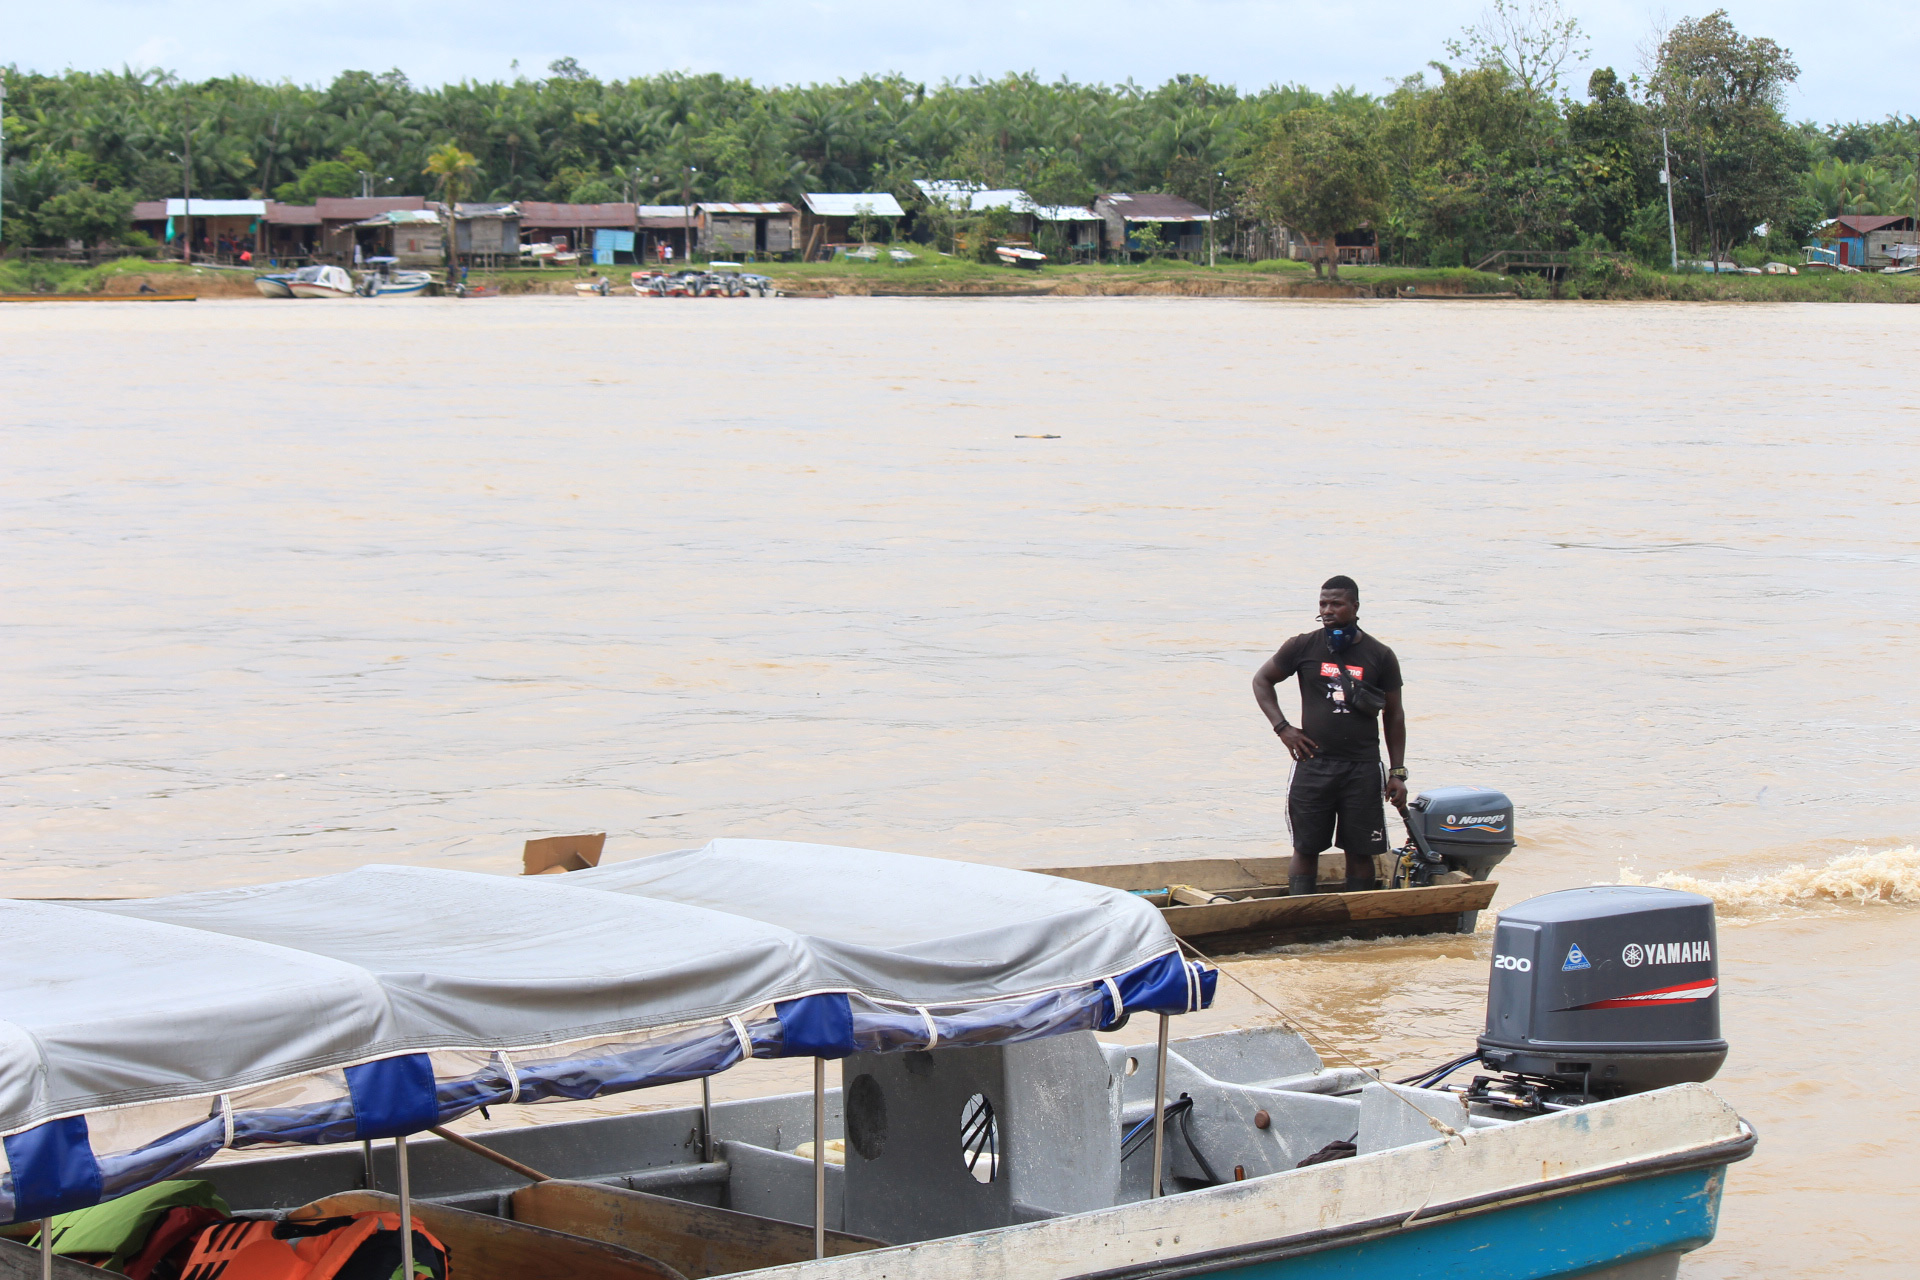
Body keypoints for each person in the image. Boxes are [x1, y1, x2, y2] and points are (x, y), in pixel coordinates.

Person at [1252, 576, 1408, 897]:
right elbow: (1261, 681)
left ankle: (1356, 925)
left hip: (1362, 768)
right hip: (1313, 764)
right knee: (1306, 847)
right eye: (1323, 604)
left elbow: (1394, 715)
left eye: (1336, 604)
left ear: (1355, 607)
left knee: (1360, 850)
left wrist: (1397, 772)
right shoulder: (1302, 646)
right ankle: (1302, 915)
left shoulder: (1380, 655)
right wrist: (1284, 729)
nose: (1328, 610)